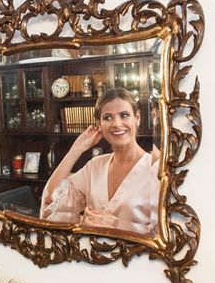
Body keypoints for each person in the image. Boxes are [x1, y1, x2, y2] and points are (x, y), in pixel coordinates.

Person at [41, 88, 158, 235]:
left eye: (124, 115)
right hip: (92, 256)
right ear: (99, 124)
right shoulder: (94, 166)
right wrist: (75, 150)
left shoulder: (156, 169)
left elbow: (165, 235)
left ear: (137, 118)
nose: (116, 123)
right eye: (107, 117)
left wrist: (117, 225)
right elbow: (50, 205)